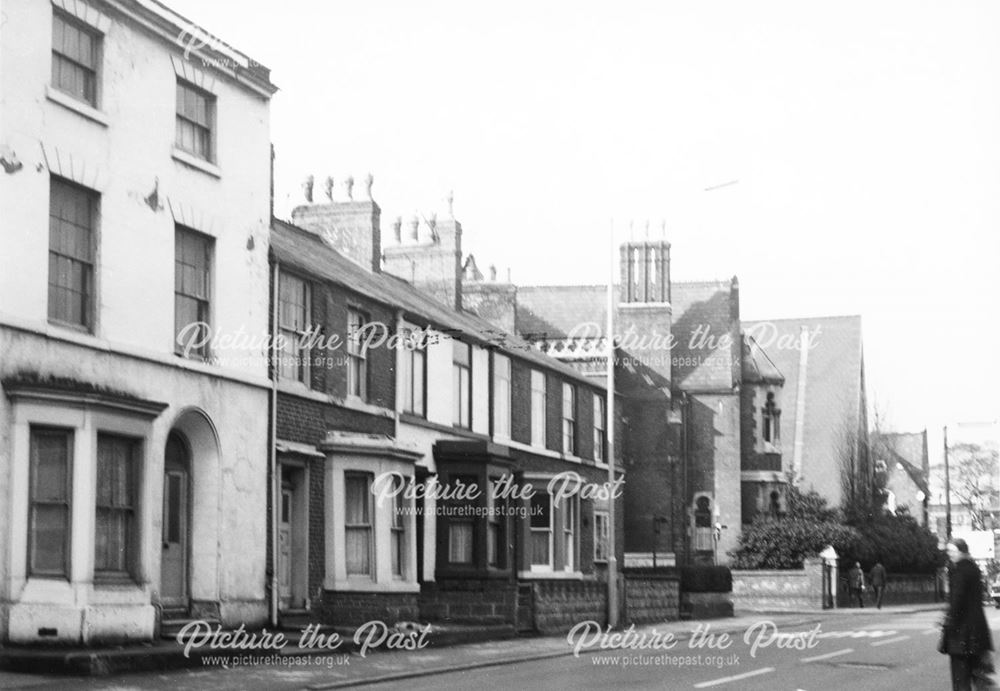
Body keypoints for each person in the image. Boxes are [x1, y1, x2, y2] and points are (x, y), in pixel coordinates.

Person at [941, 538, 994, 690]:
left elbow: (957, 600)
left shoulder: (958, 571)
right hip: (978, 632)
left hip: (961, 635)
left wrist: (948, 621)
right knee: (978, 676)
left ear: (961, 552)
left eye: (952, 551)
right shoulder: (974, 569)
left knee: (960, 678)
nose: (949, 554)